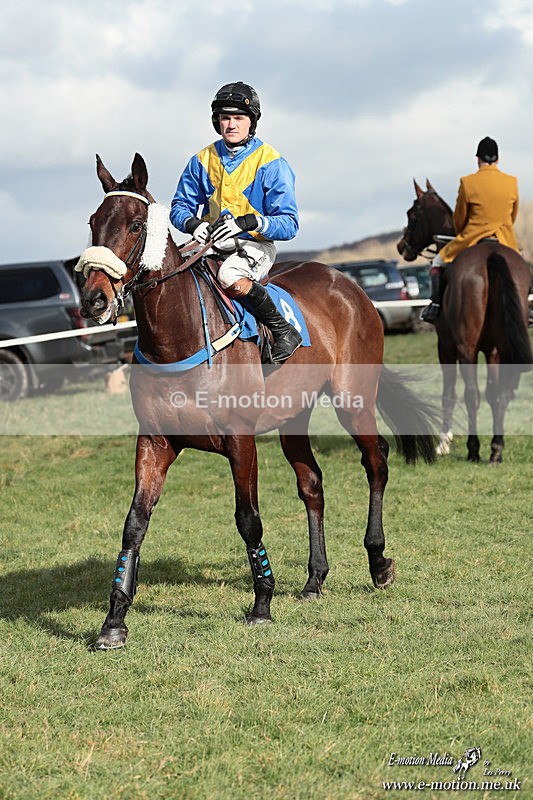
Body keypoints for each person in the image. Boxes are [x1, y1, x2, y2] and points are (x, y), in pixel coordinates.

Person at [170, 81, 302, 363]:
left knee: (229, 276)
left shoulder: (272, 162)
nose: (231, 124)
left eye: (238, 118)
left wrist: (250, 222)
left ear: (251, 122)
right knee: (174, 273)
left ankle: (284, 332)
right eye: (225, 117)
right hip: (210, 244)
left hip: (255, 246)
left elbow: (289, 224)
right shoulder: (201, 160)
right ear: (216, 121)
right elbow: (179, 207)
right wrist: (194, 225)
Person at [421, 136, 520, 322]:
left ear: (478, 159)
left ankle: (435, 305)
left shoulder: (467, 182)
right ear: (497, 159)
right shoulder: (512, 182)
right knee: (521, 265)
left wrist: (461, 231)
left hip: (472, 237)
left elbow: (459, 217)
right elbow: (512, 215)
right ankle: (527, 307)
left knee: (437, 262)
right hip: (505, 238)